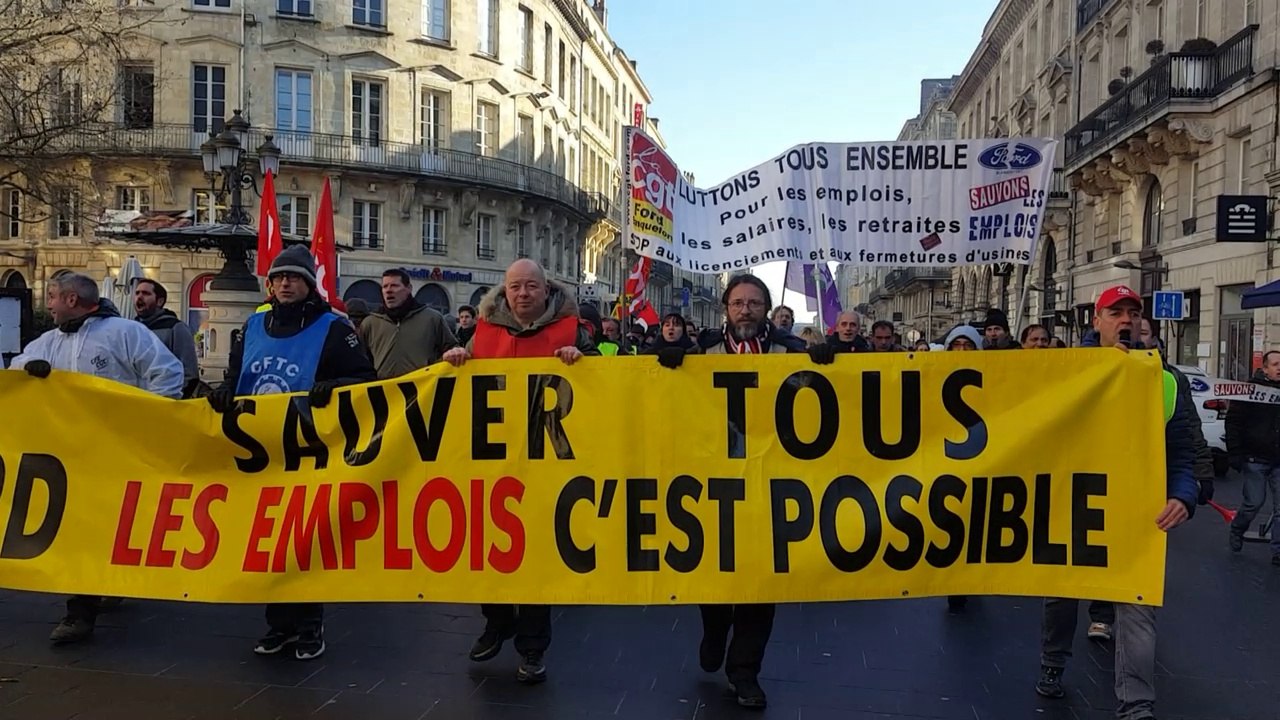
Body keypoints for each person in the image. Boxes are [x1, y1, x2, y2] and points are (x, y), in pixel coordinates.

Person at [655, 273, 820, 709]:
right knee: (715, 575)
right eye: (738, 303)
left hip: (770, 483)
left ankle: (745, 671)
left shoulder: (790, 351)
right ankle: (714, 630)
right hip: (715, 484)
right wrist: (668, 361)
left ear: (766, 309)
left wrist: (828, 363)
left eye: (754, 303)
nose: (745, 310)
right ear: (726, 308)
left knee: (761, 585)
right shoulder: (703, 351)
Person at [1034, 285, 1198, 720]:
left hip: (1136, 513)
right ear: (1097, 321)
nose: (1126, 320)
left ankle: (1136, 704)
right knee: (1062, 596)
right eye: (1115, 312)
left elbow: (1183, 450)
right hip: (1074, 504)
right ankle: (1053, 663)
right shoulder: (1066, 369)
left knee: (1137, 606)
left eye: (1133, 312)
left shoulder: (1164, 379)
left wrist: (1184, 495)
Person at [206, 245, 377, 661]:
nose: (285, 283)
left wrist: (334, 387)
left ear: (308, 284)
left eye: (294, 277)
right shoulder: (254, 325)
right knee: (268, 543)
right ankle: (278, 625)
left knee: (303, 543)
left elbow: (365, 378)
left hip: (309, 450)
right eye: (279, 277)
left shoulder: (333, 328)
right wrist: (224, 392)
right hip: (260, 452)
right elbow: (236, 374)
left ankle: (309, 626)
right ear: (270, 284)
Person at [444, 258, 598, 685]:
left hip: (548, 464)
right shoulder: (483, 332)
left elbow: (609, 379)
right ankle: (497, 621)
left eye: (531, 286)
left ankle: (532, 648)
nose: (523, 293)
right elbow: (463, 374)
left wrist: (582, 361)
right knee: (489, 548)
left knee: (535, 560)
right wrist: (457, 357)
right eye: (515, 287)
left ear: (546, 290)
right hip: (493, 461)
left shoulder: (572, 331)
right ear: (505, 291)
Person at [10, 272, 184, 644]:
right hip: (71, 455)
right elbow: (14, 376)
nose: (49, 304)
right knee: (79, 530)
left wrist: (148, 423)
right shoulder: (48, 343)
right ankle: (79, 612)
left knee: (116, 524)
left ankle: (109, 583)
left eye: (53, 296)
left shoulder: (125, 334)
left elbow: (167, 373)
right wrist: (28, 374)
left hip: (118, 453)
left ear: (71, 300)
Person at [1225, 349, 1280, 561]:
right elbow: (1233, 423)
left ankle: (1278, 551)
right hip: (1255, 458)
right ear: (1264, 368)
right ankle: (1238, 529)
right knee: (1254, 503)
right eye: (1275, 364)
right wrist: (1235, 453)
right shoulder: (1249, 391)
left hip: (1278, 460)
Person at [358, 268, 458, 379]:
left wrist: (453, 353)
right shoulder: (370, 323)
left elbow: (452, 349)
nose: (388, 290)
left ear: (409, 288)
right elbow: (361, 362)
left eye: (394, 286)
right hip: (384, 388)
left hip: (423, 387)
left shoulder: (432, 319)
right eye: (385, 286)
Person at [133, 279, 202, 397]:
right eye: (137, 293)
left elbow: (190, 373)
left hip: (164, 398)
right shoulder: (132, 328)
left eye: (146, 293)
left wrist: (175, 398)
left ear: (159, 301)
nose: (139, 297)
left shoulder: (175, 328)